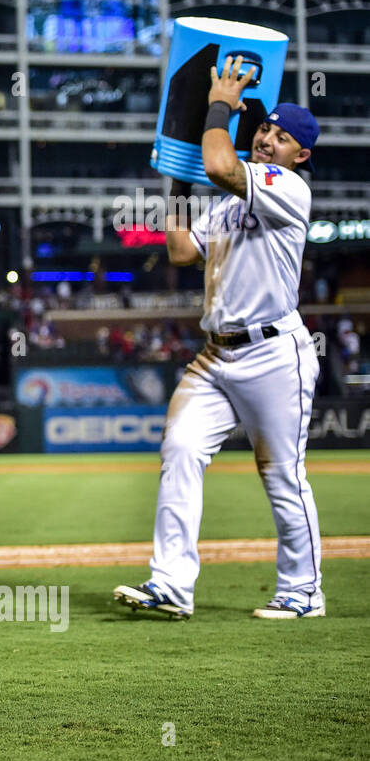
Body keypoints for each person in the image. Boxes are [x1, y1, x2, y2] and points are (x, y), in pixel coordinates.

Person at [115, 57, 323, 620]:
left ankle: (304, 591)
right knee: (180, 450)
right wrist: (176, 175)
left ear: (300, 156)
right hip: (216, 356)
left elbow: (221, 163)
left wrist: (219, 104)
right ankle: (171, 585)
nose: (268, 139)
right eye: (266, 129)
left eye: (282, 138)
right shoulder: (233, 203)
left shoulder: (287, 187)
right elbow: (181, 251)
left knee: (281, 474)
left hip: (273, 352)